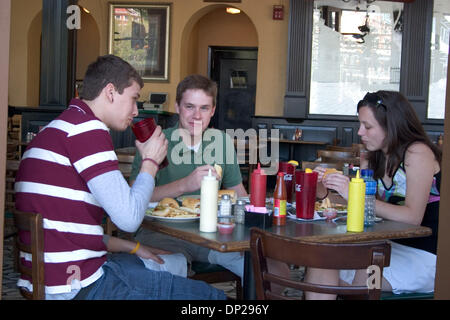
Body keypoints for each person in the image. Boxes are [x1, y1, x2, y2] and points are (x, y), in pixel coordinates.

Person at [14, 55, 226, 300]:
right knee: (211, 297)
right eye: (134, 98)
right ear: (110, 92)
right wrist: (150, 162)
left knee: (153, 263)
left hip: (49, 280)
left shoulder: (55, 129)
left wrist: (133, 247)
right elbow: (128, 221)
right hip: (79, 285)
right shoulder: (88, 130)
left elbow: (66, 229)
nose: (136, 111)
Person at [307, 91, 441, 299]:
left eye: (367, 126)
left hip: (423, 256)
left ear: (391, 125)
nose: (360, 132)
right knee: (321, 259)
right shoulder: (371, 157)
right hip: (383, 245)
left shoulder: (417, 153)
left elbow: (412, 217)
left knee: (364, 278)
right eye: (360, 125)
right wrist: (323, 193)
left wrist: (355, 195)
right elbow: (364, 207)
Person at [129, 74, 248, 280]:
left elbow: (239, 195)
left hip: (212, 237)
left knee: (265, 269)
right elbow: (133, 199)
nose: (197, 115)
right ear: (177, 107)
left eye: (204, 108)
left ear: (212, 111)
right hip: (163, 235)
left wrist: (247, 228)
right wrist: (185, 184)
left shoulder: (222, 142)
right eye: (189, 106)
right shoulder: (155, 141)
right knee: (164, 275)